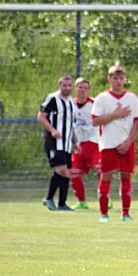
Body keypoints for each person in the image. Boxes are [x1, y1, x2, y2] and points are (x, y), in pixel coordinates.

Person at [91, 66, 138, 222]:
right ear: (109, 79)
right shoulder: (102, 98)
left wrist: (129, 142)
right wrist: (115, 115)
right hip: (108, 143)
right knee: (106, 176)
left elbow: (137, 122)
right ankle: (103, 214)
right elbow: (95, 120)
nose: (119, 81)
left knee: (126, 178)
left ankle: (125, 214)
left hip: (126, 144)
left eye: (121, 78)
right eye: (115, 78)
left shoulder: (132, 98)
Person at [38, 76, 80, 211]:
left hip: (67, 143)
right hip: (55, 141)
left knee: (67, 172)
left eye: (69, 85)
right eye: (65, 85)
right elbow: (41, 116)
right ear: (59, 85)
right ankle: (49, 198)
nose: (67, 88)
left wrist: (75, 141)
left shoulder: (72, 103)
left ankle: (62, 203)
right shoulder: (53, 98)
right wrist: (53, 130)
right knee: (61, 170)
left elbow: (71, 125)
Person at [69, 77, 101, 210]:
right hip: (78, 144)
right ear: (75, 89)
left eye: (85, 88)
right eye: (80, 87)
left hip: (94, 143)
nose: (82, 90)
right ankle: (82, 202)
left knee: (101, 171)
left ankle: (106, 198)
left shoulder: (94, 104)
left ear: (88, 90)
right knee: (74, 173)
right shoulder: (69, 104)